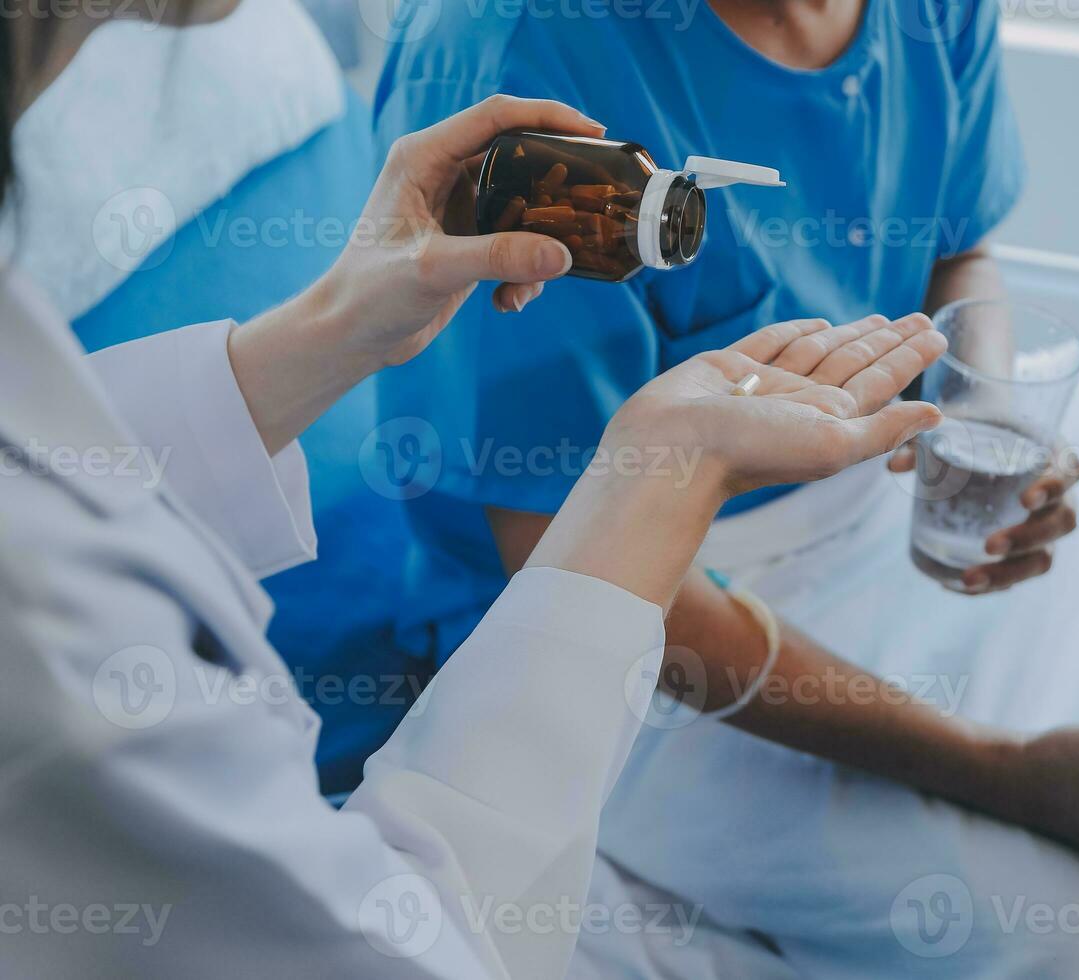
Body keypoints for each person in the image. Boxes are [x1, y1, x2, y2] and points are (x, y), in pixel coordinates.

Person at [0, 5, 953, 975]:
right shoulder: (55, 661)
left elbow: (55, 458)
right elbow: (413, 945)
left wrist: (337, 323)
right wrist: (672, 464)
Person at [372, 0, 1079, 900]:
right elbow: (573, 557)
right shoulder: (520, 54)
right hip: (634, 601)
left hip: (866, 477)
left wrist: (983, 425)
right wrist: (1002, 771)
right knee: (1077, 918)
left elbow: (958, 251)